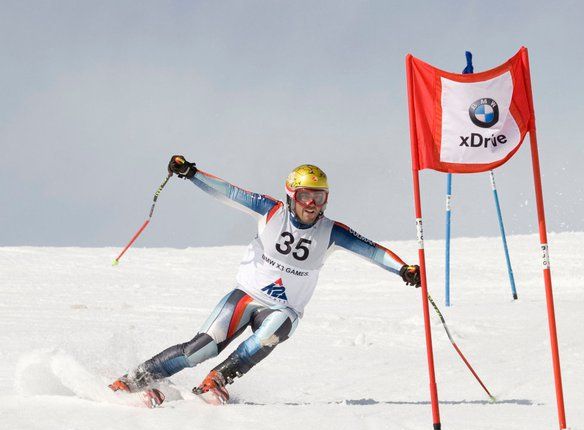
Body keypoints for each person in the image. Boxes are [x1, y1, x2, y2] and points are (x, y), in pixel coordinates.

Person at [110, 155, 421, 405]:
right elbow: (230, 193)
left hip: (283, 307)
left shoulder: (331, 232)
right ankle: (135, 379)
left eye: (318, 197)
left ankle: (215, 381)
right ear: (291, 195)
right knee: (201, 348)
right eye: (304, 196)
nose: (311, 204)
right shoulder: (271, 211)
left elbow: (372, 251)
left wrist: (404, 269)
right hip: (246, 295)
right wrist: (192, 173)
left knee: (276, 329)